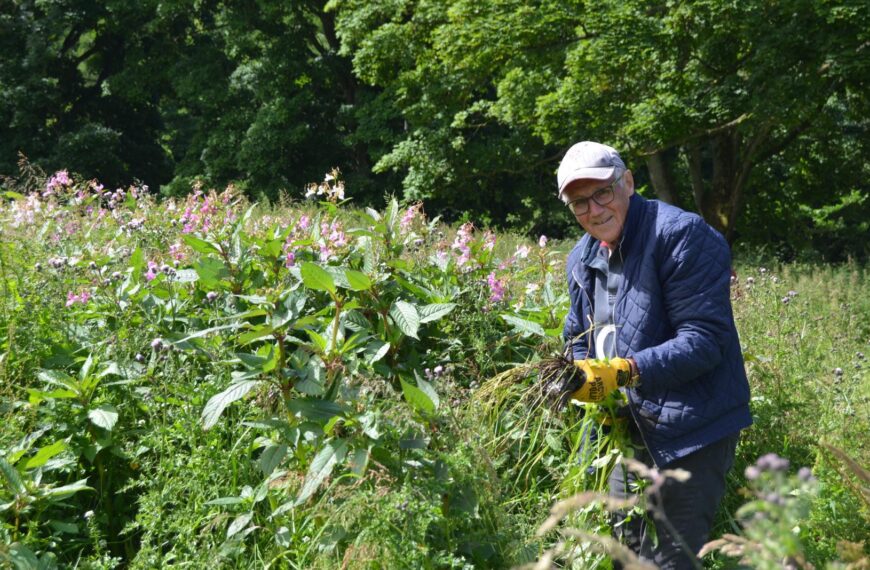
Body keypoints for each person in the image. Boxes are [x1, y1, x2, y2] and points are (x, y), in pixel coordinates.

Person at [557, 141, 752, 569]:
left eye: (602, 193)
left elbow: (704, 339)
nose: (594, 210)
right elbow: (577, 335)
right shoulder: (581, 257)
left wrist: (625, 372)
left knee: (667, 561)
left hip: (690, 429)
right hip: (624, 430)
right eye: (579, 203)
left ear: (627, 182)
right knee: (624, 553)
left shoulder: (680, 235)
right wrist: (581, 383)